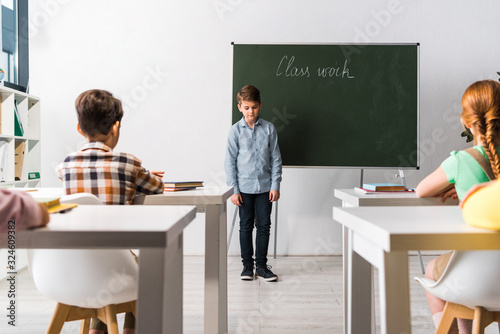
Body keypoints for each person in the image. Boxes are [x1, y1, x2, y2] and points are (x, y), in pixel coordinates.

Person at [56, 89, 165, 334]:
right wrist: (141, 175)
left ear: (78, 128)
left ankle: (97, 329)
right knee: (140, 266)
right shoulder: (128, 163)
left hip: (76, 267)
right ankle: (129, 330)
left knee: (101, 264)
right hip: (117, 267)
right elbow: (157, 188)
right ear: (115, 128)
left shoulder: (65, 166)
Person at [415, 79, 500, 333]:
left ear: (466, 122)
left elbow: (421, 190)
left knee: (433, 270)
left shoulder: (461, 162)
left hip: (475, 280)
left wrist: (458, 184)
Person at [225, 84, 282, 282]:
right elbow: (230, 161)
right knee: (246, 226)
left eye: (254, 107)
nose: (251, 111)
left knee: (264, 226)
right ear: (239, 107)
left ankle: (262, 266)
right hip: (243, 188)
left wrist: (275, 185)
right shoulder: (235, 131)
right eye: (247, 107)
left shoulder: (269, 129)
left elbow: (276, 159)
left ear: (260, 105)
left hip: (266, 188)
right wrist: (234, 190)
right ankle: (247, 267)